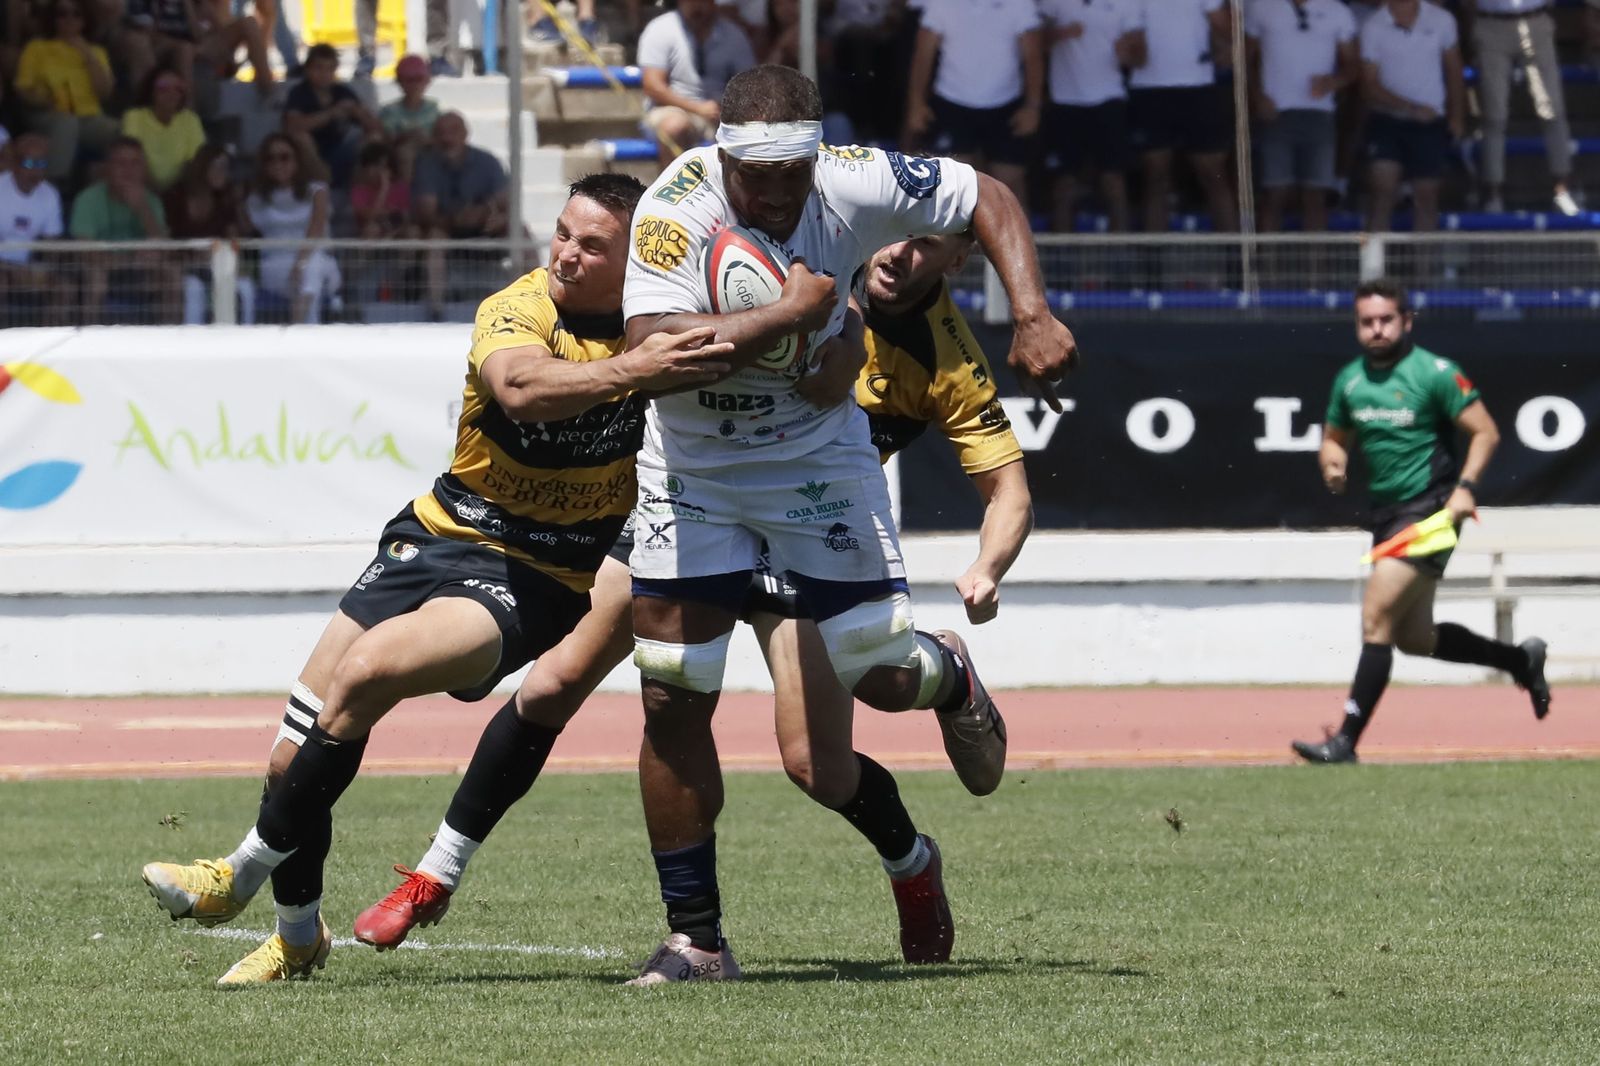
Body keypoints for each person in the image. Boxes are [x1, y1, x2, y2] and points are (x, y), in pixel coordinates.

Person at [351, 230, 1035, 974]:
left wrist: (988, 567)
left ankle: (915, 841)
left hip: (802, 529)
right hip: (692, 501)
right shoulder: (784, 251)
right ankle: (439, 874)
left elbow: (1009, 490)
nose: (901, 253)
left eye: (928, 244)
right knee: (554, 683)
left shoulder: (943, 356)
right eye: (897, 234)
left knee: (819, 767)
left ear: (957, 261)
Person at [138, 174, 736, 986]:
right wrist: (640, 371)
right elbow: (521, 389)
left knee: (369, 673)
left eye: (592, 245)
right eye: (562, 232)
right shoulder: (520, 307)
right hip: (435, 533)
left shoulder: (662, 327)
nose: (565, 252)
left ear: (633, 260)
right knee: (289, 763)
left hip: (537, 573)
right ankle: (297, 937)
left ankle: (236, 872)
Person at [617, 64, 1074, 982]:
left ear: (817, 154)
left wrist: (1030, 310)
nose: (779, 191)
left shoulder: (857, 178)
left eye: (794, 170)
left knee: (876, 679)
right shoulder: (674, 210)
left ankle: (947, 677)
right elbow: (648, 352)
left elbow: (986, 192)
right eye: (758, 174)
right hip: (695, 471)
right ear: (723, 156)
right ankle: (696, 939)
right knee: (671, 691)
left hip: (817, 466)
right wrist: (784, 317)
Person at [1290, 278, 1551, 765]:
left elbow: (1486, 433)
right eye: (1367, 322)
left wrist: (1465, 490)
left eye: (1386, 319)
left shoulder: (1435, 373)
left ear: (1406, 320)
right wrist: (1331, 462)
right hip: (1386, 516)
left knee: (1375, 619)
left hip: (1432, 513)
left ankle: (1345, 740)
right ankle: (1521, 661)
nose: (1377, 329)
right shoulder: (1349, 380)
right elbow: (1333, 439)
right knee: (1412, 638)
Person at [903, 0, 1043, 210]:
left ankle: (1017, 243)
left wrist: (1032, 107)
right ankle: (952, 244)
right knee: (949, 185)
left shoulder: (1019, 3)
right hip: (952, 103)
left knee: (1010, 183)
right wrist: (916, 103)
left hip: (1005, 105)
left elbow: (1033, 55)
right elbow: (923, 54)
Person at [1245, 0, 1358, 234]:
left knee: (1315, 196)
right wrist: (1257, 97)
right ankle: (1267, 270)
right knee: (1274, 194)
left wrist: (1333, 82)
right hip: (1275, 114)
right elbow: (1246, 58)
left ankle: (1314, 271)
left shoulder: (1338, 11)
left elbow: (1353, 66)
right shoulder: (1261, 6)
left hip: (1320, 114)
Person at [1458, 1, 1578, 216]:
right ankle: (1494, 195)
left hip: (1535, 22)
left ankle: (1562, 190)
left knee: (1551, 110)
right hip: (1491, 25)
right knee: (1494, 117)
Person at [1126, 0, 1237, 233]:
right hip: (1150, 89)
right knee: (1156, 177)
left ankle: (1237, 265)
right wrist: (1133, 51)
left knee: (1213, 174)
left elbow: (1226, 26)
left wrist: (1228, 47)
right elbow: (1130, 34)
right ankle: (1151, 267)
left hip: (1198, 88)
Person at [1358, 0, 1465, 234]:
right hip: (1386, 121)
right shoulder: (1372, 26)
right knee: (1382, 192)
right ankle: (1372, 270)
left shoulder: (1442, 20)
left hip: (1430, 124)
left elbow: (1454, 70)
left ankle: (1423, 271)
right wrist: (1411, 108)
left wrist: (1457, 117)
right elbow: (1369, 85)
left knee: (1427, 197)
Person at [1037, 0, 1141, 233]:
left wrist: (1128, 52)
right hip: (1065, 103)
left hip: (1109, 100)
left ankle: (1122, 261)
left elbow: (1139, 55)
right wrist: (1059, 33)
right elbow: (1032, 40)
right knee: (1064, 187)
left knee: (1114, 183)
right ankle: (1060, 262)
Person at [69, 136, 180, 323]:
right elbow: (85, 252)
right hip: (102, 269)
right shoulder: (88, 199)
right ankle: (89, 342)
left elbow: (164, 248)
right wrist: (129, 260)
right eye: (121, 163)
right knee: (97, 280)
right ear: (107, 168)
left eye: (135, 164)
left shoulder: (151, 201)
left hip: (141, 272)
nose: (128, 171)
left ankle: (170, 341)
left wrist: (143, 209)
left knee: (172, 274)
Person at [413, 111, 509, 319]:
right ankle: (436, 309)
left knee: (520, 231)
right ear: (434, 136)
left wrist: (489, 215)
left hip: (486, 228)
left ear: (466, 133)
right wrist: (455, 220)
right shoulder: (427, 164)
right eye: (441, 133)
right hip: (447, 230)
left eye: (453, 131)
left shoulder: (488, 162)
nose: (447, 138)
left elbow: (505, 203)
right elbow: (427, 212)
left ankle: (536, 303)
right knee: (434, 239)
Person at [637, 0, 756, 166]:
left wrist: (727, 108)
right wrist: (698, 108)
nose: (697, 6)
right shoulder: (660, 29)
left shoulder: (733, 35)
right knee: (675, 126)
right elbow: (653, 86)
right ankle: (674, 189)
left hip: (720, 114)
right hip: (670, 109)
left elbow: (749, 84)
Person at [12, 0, 117, 179]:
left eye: (76, 14)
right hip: (46, 113)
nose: (69, 19)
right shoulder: (37, 48)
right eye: (62, 14)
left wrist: (88, 56)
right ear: (54, 19)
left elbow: (104, 93)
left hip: (88, 118)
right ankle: (54, 186)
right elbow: (22, 89)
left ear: (84, 20)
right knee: (67, 123)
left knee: (125, 130)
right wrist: (42, 99)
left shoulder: (96, 52)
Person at [165, 142, 256, 324]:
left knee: (245, 287)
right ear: (202, 167)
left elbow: (236, 238)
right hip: (182, 266)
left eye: (226, 168)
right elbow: (166, 236)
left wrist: (238, 205)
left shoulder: (226, 198)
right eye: (217, 166)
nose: (223, 172)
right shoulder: (176, 195)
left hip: (216, 264)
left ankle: (244, 341)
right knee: (193, 288)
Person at [282, 42, 383, 187]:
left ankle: (360, 193)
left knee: (373, 139)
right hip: (312, 155)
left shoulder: (342, 92)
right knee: (301, 138)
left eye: (330, 69)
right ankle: (325, 186)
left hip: (342, 152)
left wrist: (358, 112)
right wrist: (330, 114)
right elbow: (292, 126)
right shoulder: (299, 93)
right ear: (308, 69)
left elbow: (376, 127)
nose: (324, 74)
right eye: (319, 68)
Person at [0, 131, 68, 326]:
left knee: (64, 288)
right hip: (1, 268)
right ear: (14, 164)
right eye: (30, 164)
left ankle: (48, 344)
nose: (35, 172)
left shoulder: (50, 195)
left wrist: (39, 269)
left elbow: (51, 247)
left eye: (41, 165)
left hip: (28, 268)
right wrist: (9, 269)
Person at [121, 67, 206, 192]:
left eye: (178, 89)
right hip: (141, 189)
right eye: (163, 88)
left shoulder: (191, 120)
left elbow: (195, 163)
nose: (171, 93)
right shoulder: (134, 117)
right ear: (151, 91)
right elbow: (133, 159)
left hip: (179, 193)